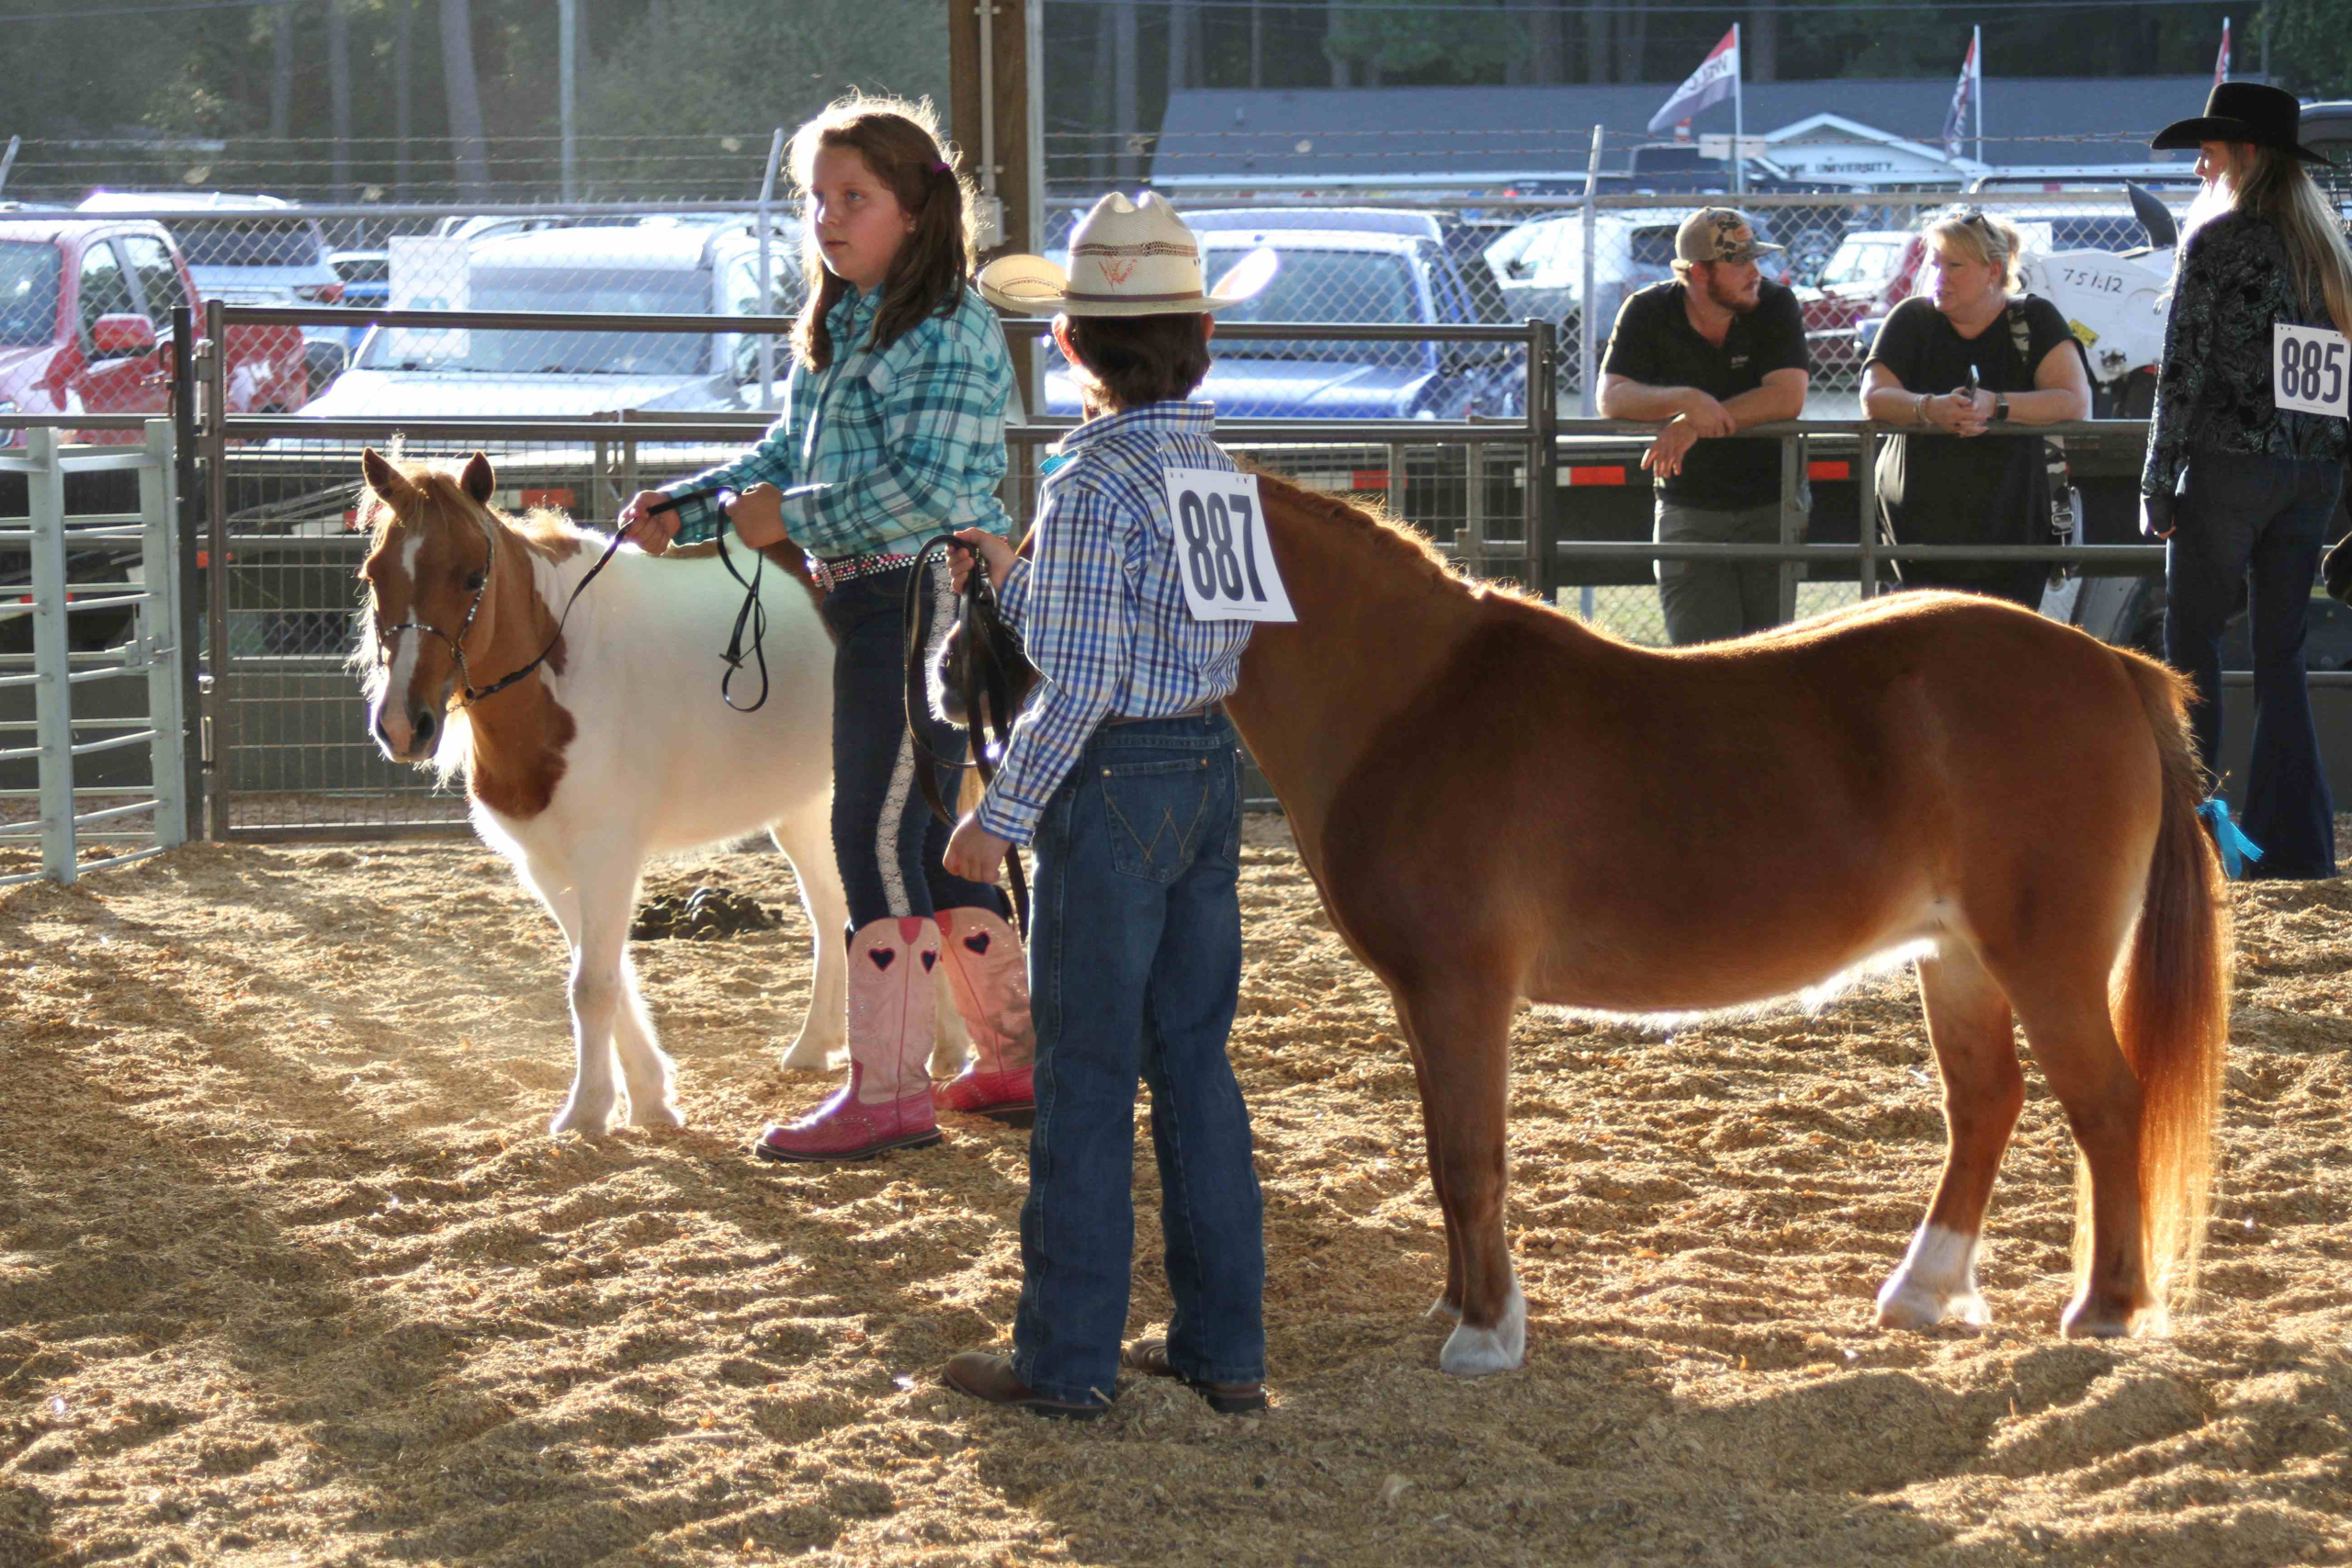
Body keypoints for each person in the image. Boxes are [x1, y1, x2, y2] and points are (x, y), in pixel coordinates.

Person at [617, 96, 1037, 1156]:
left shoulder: (946, 325)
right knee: (932, 831)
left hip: (919, 600)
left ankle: (893, 1087)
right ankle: (1016, 1058)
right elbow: (780, 459)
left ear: (914, 209)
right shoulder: (848, 320)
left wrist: (781, 520)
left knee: (872, 827)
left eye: (854, 198)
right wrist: (691, 504)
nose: (827, 218)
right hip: (879, 601)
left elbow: (925, 490)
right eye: (817, 198)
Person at [935, 191, 1278, 1420]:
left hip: (1111, 784)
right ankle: (1221, 1343)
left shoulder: (1089, 485)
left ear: (1072, 346)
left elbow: (1080, 675)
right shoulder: (1213, 469)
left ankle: (1066, 1354)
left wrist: (1000, 811)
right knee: (1194, 1059)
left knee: (1084, 1070)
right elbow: (1182, 634)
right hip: (1203, 767)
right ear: (1201, 341)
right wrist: (1019, 580)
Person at [2143, 82, 2348, 879]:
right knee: (2281, 654)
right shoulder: (2327, 252)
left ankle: (2191, 839)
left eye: (2211, 150)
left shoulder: (2220, 242)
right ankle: (2295, 843)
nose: (2199, 167)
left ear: (2248, 157)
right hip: (2310, 473)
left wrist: (2157, 479)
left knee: (2191, 648)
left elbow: (2182, 373)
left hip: (2229, 466)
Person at [1598, 207, 1812, 647]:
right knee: (1700, 660)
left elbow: (1787, 396)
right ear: (1698, 272)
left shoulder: (1774, 303)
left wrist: (1692, 425)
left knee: (1772, 659)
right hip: (1687, 504)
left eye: (1756, 258)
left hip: (1771, 500)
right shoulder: (1648, 310)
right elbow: (1611, 397)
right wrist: (1688, 400)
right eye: (1738, 262)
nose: (1755, 271)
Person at [1861, 210, 2094, 609]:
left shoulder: (2033, 319)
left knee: (2002, 653)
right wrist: (1928, 408)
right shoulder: (1911, 319)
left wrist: (1996, 405)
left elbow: (2073, 401)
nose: (1939, 276)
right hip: (1918, 533)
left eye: (1954, 265)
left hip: (2013, 528)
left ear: (1994, 271)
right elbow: (1874, 397)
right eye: (1935, 263)